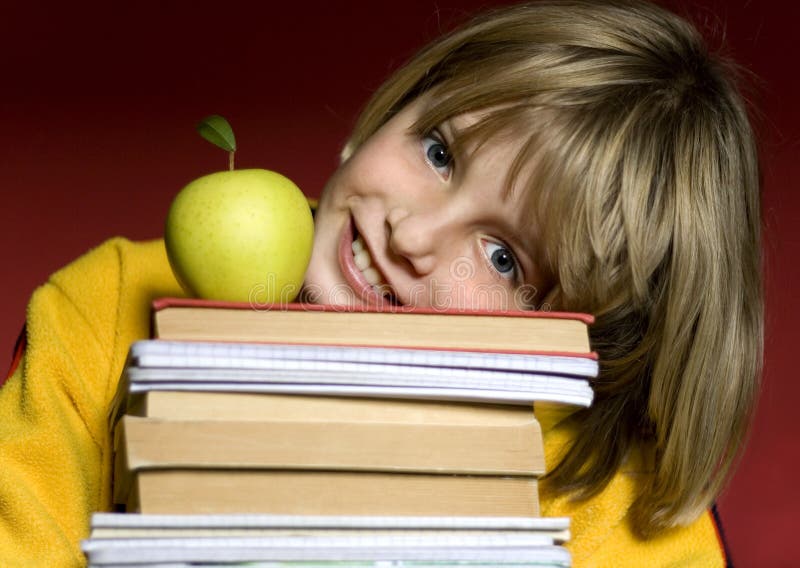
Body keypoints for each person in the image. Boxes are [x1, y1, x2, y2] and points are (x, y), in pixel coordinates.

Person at [0, 0, 761, 565]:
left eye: (505, 259)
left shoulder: (612, 509)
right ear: (383, 116)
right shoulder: (111, 304)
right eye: (438, 152)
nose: (412, 235)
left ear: (580, 339)